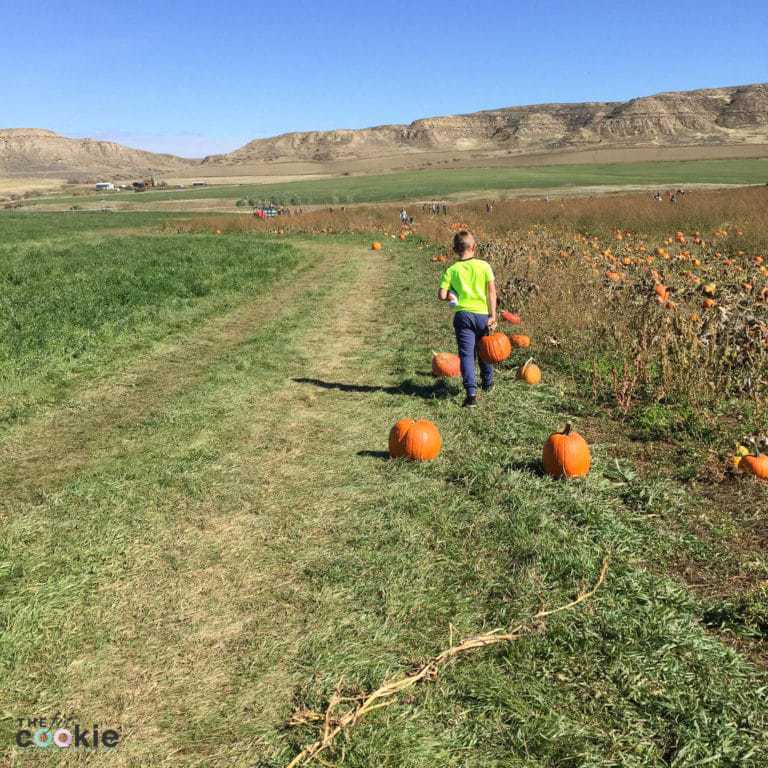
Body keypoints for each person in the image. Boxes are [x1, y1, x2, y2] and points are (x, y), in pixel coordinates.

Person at [437, 230, 497, 408]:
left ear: (455, 249)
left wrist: (452, 296)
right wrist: (493, 315)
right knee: (485, 350)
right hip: (482, 315)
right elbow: (492, 292)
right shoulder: (484, 266)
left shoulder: (451, 270)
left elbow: (441, 295)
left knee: (466, 355)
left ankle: (471, 394)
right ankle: (488, 383)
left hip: (463, 316)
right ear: (474, 247)